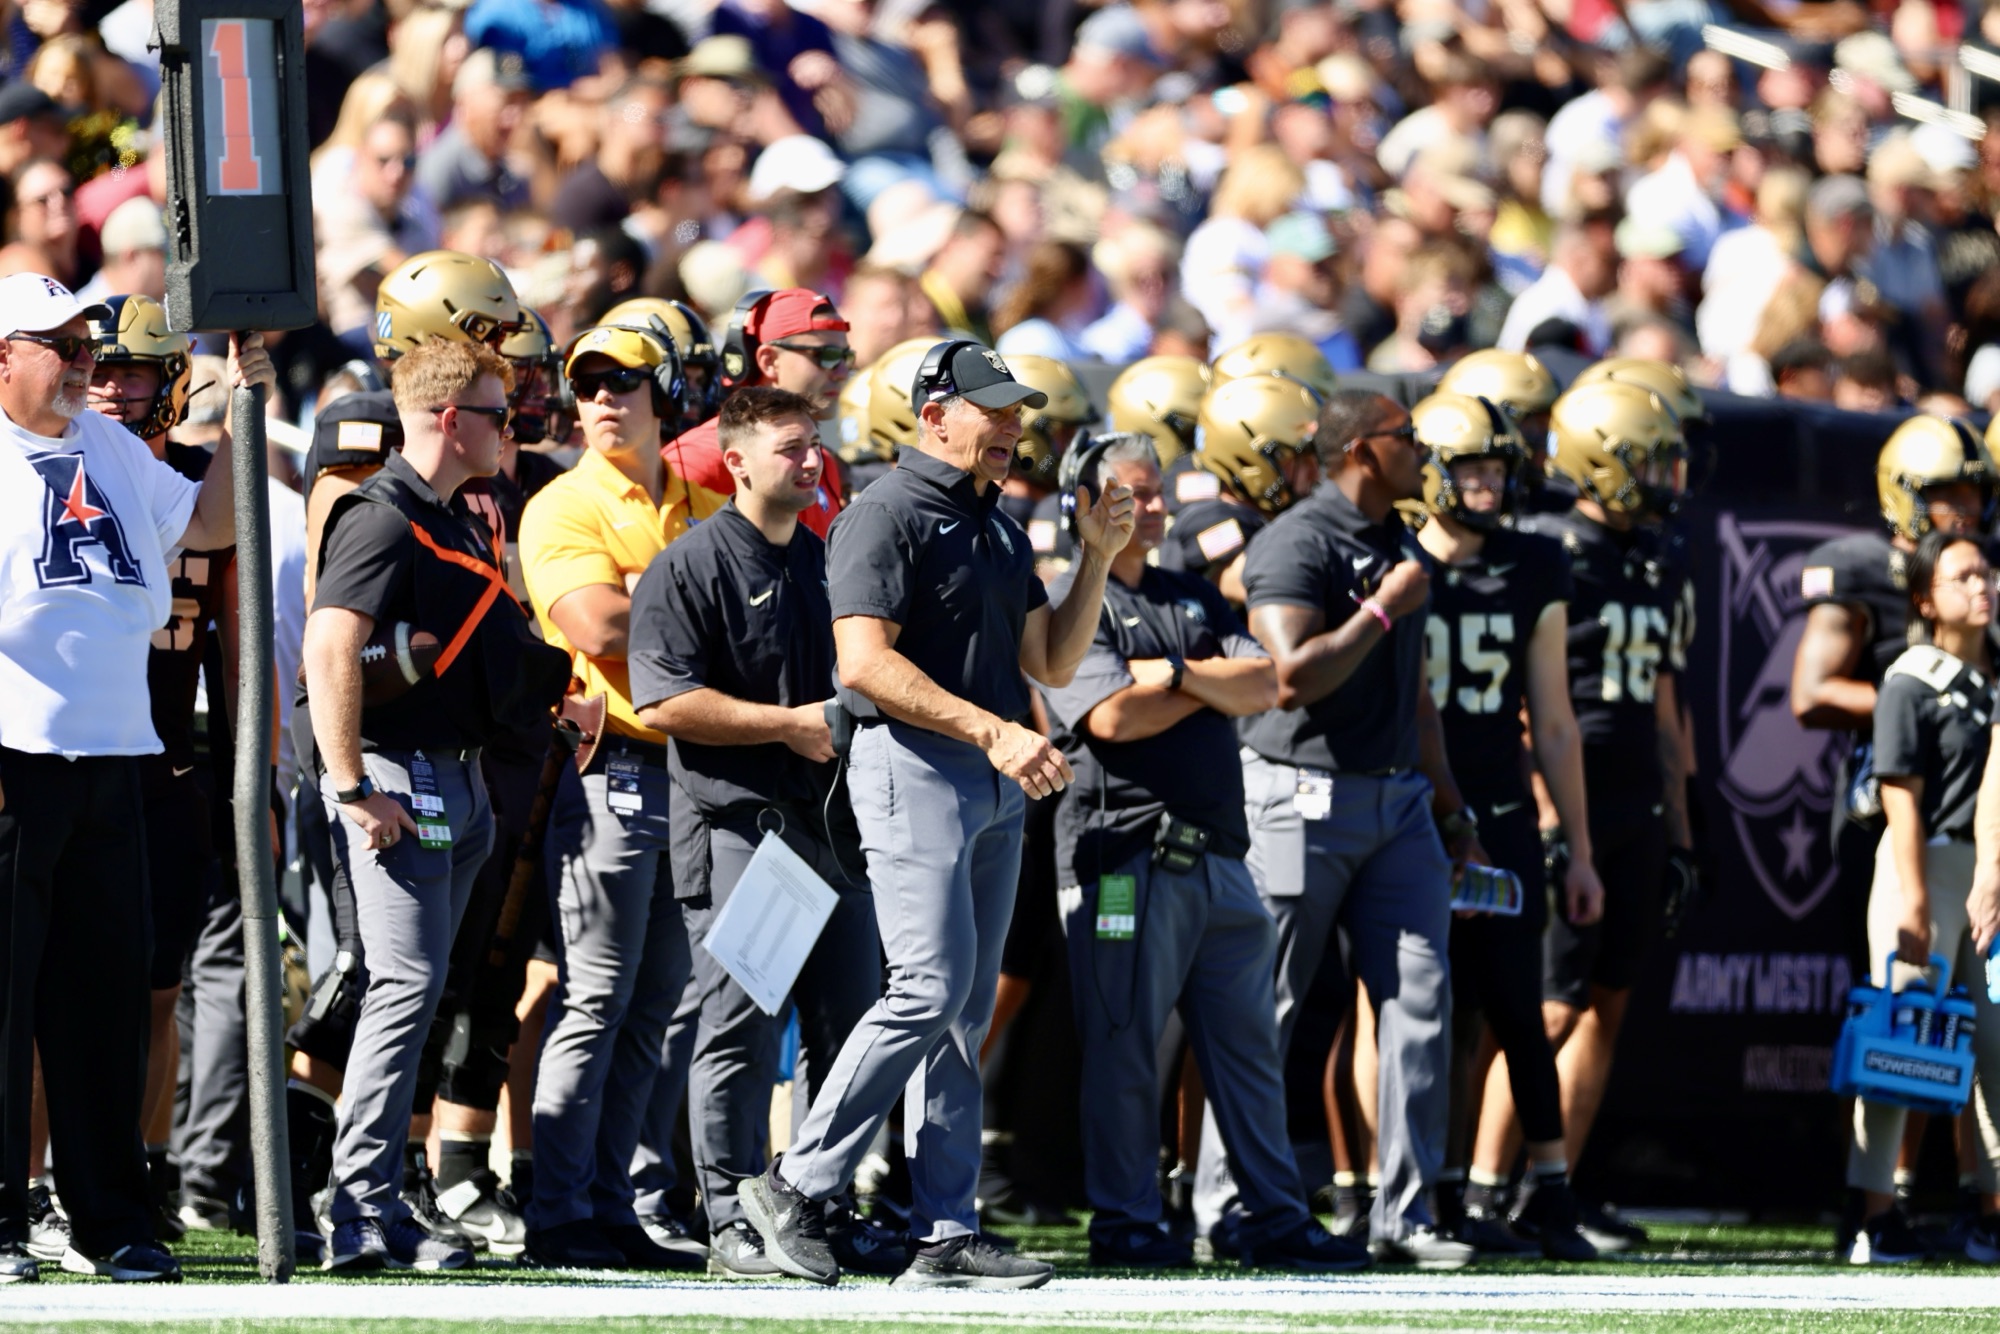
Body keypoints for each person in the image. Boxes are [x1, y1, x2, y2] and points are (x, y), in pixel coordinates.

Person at [741, 341, 1135, 1291]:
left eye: (1017, 412)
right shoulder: (884, 510)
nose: (1013, 427)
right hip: (914, 763)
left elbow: (1049, 658)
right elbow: (864, 664)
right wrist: (993, 732)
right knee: (927, 987)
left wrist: (1098, 559)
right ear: (935, 416)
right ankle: (796, 1180)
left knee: (959, 1009)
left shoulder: (995, 524)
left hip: (990, 773)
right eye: (994, 410)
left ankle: (944, 1230)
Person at [1043, 430, 1367, 1273]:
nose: (1155, 510)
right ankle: (1126, 1221)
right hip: (1123, 859)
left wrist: (1171, 675)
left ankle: (1269, 1214)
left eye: (1157, 495)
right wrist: (1199, 680)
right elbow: (1108, 717)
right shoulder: (1068, 598)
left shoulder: (1190, 595)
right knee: (1123, 1047)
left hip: (1222, 857)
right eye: (1133, 497)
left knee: (1252, 1051)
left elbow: (1267, 681)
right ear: (1085, 504)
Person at [1192, 388, 1482, 1271]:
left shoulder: (1396, 538)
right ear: (1360, 449)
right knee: (1262, 1006)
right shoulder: (1297, 540)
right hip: (1295, 794)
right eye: (1409, 439)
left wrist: (1451, 803)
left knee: (1422, 1005)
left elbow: (1418, 693)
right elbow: (1288, 679)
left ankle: (1408, 1212)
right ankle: (1223, 1204)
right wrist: (1384, 607)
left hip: (1396, 803)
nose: (1424, 453)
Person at [304, 337, 569, 1272]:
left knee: (424, 995)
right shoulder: (385, 516)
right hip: (397, 776)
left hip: (455, 777)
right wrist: (351, 786)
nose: (515, 429)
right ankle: (360, 1208)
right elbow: (331, 647)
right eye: (500, 414)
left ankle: (386, 1199)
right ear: (452, 420)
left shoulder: (456, 515)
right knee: (404, 989)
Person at [0, 271, 243, 1285]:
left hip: (117, 748)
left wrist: (243, 408)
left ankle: (110, 1218)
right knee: (3, 1005)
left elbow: (210, 526)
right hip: (12, 753)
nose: (85, 356)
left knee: (103, 1003)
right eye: (59, 341)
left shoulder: (109, 442)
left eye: (87, 338)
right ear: (3, 355)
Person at [626, 386, 895, 1279]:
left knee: (848, 1028)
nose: (809, 459)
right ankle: (733, 1217)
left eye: (813, 443)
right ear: (735, 460)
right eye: (789, 447)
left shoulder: (829, 563)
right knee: (741, 1027)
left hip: (835, 834)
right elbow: (663, 701)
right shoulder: (688, 564)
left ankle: (814, 1204)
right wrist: (790, 725)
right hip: (744, 832)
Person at [518, 321, 723, 1270]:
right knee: (595, 996)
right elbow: (597, 623)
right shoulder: (564, 504)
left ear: (666, 392)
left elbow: (756, 615)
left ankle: (612, 1202)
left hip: (695, 767)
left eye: (623, 380)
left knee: (657, 1003)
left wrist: (655, 591)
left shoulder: (707, 497)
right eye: (587, 382)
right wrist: (690, 604)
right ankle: (558, 1212)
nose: (602, 397)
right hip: (616, 766)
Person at [83, 295, 273, 1242]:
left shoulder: (197, 481)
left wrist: (257, 782)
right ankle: (39, 1176)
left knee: (158, 986)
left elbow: (240, 648)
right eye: (101, 366)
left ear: (171, 381)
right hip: (69, 744)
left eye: (136, 370)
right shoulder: (58, 465)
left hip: (166, 762)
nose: (115, 387)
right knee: (57, 981)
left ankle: (148, 1162)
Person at [1405, 392, 1601, 1262]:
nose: (1487, 484)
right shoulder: (1397, 559)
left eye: (1496, 467)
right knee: (1416, 1006)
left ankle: (1548, 1188)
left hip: (1508, 813)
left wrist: (1582, 850)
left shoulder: (1535, 561)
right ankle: (1411, 1190)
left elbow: (1553, 719)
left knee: (1517, 1005)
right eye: (1470, 468)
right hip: (1413, 812)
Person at [1509, 380, 1693, 1254]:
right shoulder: (1552, 552)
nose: (1665, 476)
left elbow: (1665, 709)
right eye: (1649, 458)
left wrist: (1683, 831)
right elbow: (1522, 697)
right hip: (1571, 796)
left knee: (1607, 1005)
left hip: (1637, 804)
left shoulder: (1654, 556)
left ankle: (1558, 1191)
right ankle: (1481, 1186)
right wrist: (1550, 809)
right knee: (1547, 1008)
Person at [1849, 531, 2000, 1265]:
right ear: (1924, 599)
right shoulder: (1910, 676)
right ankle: (1874, 1215)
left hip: (1990, 875)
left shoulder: (1993, 678)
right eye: (1962, 575)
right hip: (1927, 868)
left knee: (1996, 1045)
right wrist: (1911, 895)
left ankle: (1988, 1208)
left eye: (1988, 573)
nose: (1983, 586)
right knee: (1900, 1040)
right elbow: (1898, 794)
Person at [655, 289, 852, 538]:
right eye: (828, 357)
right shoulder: (696, 461)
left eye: (847, 357)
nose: (842, 372)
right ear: (768, 361)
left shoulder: (822, 461)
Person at [1155, 373, 1322, 605]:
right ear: (1250, 461)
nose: (1316, 472)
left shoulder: (1195, 483)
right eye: (1302, 459)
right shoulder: (1218, 525)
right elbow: (1286, 588)